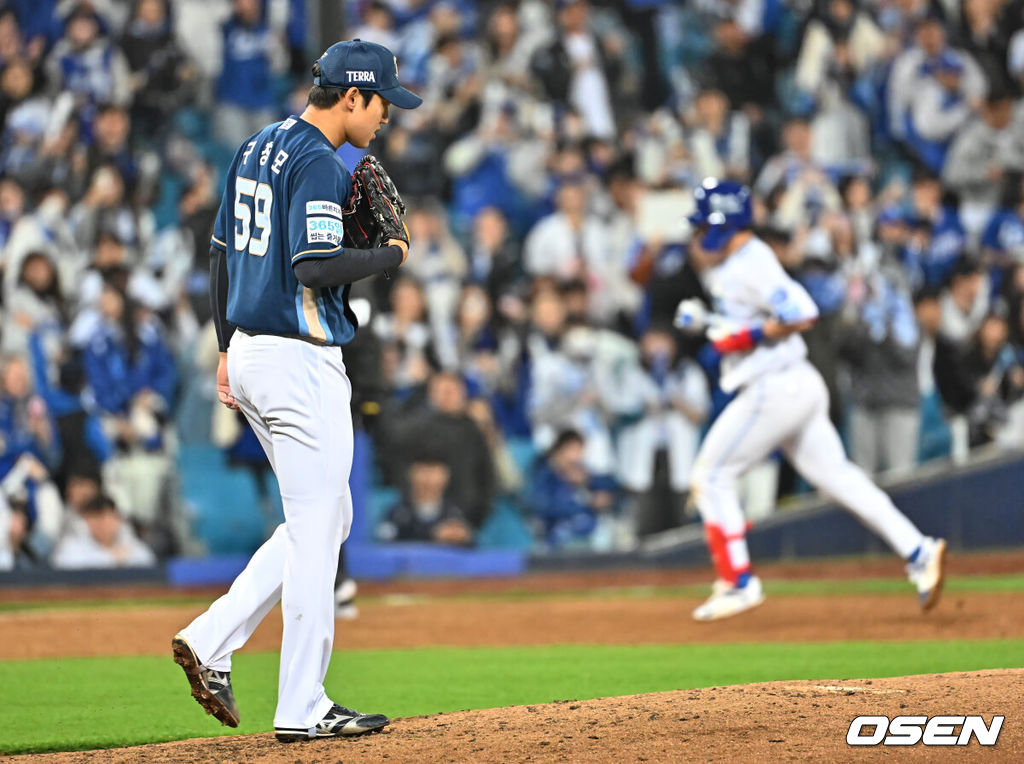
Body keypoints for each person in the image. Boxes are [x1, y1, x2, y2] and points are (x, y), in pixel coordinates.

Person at [171, 39, 422, 742]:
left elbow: (220, 256)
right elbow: (314, 266)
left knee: (328, 517)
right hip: (299, 360)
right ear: (352, 96)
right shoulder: (315, 158)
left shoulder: (257, 146)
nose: (384, 119)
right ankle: (302, 706)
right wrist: (390, 254)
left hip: (252, 353)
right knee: (318, 532)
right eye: (381, 104)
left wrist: (226, 349)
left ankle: (213, 635)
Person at [674, 178, 947, 622]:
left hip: (775, 388)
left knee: (711, 476)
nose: (700, 232)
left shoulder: (750, 261)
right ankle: (918, 549)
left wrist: (744, 335)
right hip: (795, 384)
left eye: (705, 222)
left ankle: (738, 581)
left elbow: (802, 312)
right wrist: (712, 322)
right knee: (839, 477)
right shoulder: (739, 264)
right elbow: (753, 321)